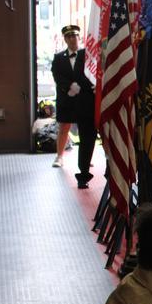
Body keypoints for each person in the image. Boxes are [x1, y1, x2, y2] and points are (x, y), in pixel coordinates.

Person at [50, 25, 97, 189]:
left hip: (84, 101)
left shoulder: (87, 54)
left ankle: (84, 166)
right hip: (67, 99)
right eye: (69, 37)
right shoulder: (59, 57)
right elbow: (57, 75)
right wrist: (69, 86)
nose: (72, 39)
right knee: (64, 128)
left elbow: (93, 73)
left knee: (87, 135)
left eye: (75, 36)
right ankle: (59, 156)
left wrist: (87, 86)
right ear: (65, 39)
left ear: (79, 37)